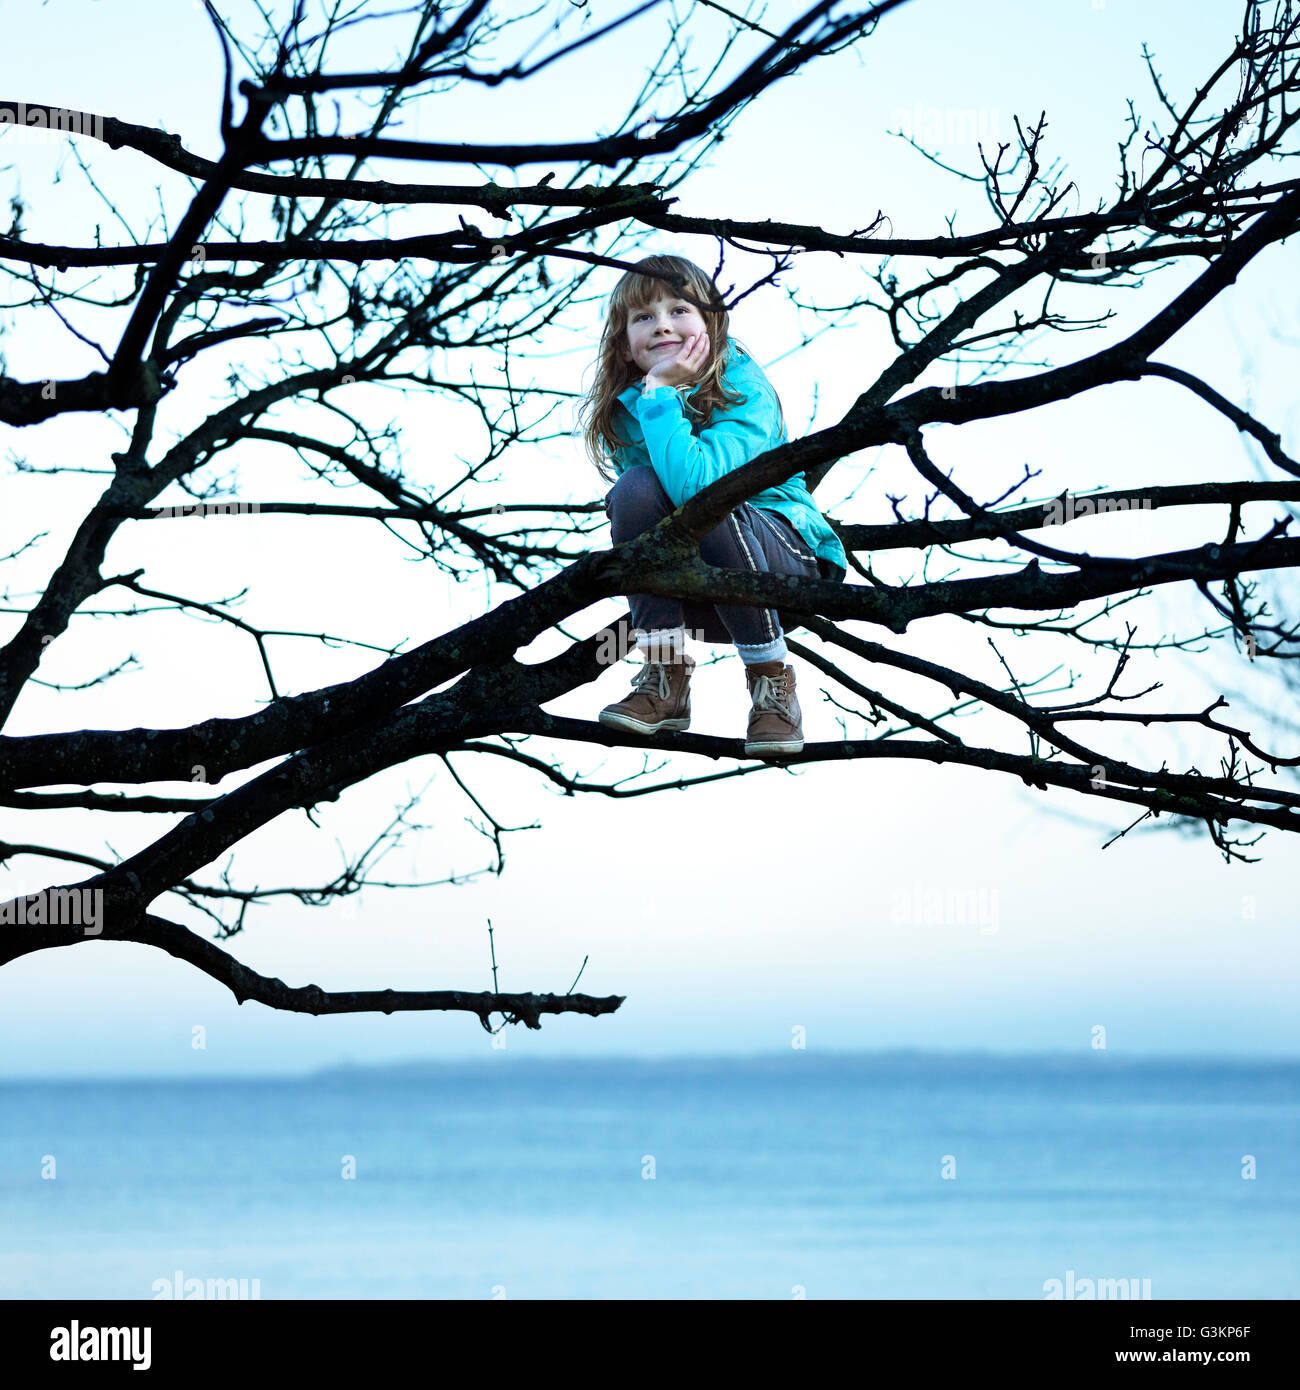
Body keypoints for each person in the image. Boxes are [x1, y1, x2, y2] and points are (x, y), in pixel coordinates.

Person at [577, 254, 847, 758]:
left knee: (711, 504)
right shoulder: (628, 412)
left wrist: (662, 393)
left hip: (788, 573)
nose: (661, 326)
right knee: (634, 488)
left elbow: (699, 494)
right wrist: (654, 398)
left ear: (712, 324)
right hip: (703, 601)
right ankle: (666, 673)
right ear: (623, 341)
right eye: (643, 317)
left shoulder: (742, 388)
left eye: (679, 310)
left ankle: (771, 682)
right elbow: (653, 515)